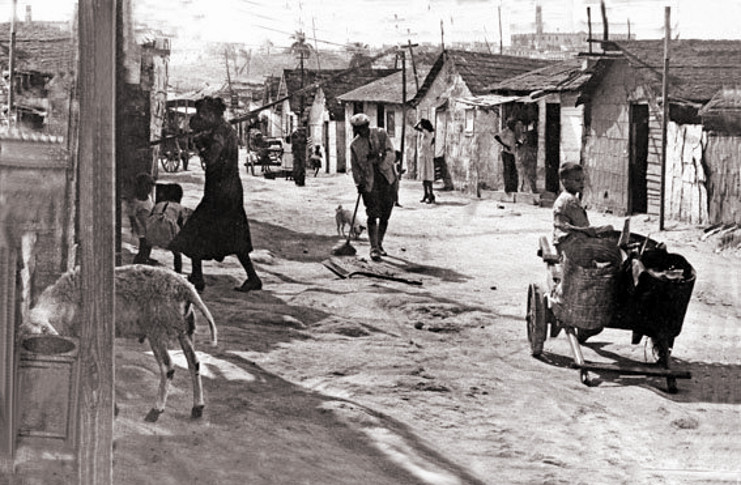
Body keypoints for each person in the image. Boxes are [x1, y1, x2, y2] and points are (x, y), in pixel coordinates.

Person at [169, 96, 263, 293]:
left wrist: (200, 145)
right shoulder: (222, 129)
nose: (201, 117)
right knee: (233, 235)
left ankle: (198, 277)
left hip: (222, 190)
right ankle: (250, 277)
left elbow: (212, 158)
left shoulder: (221, 132)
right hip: (225, 188)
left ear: (212, 114)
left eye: (204, 114)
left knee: (197, 230)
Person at [349, 113, 397, 262]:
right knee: (372, 214)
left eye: (364, 128)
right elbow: (355, 167)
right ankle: (374, 247)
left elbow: (391, 153)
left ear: (368, 125)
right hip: (369, 183)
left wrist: (381, 161)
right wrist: (359, 183)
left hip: (386, 179)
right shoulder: (355, 145)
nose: (362, 131)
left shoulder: (381, 134)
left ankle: (380, 243)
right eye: (358, 129)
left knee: (385, 213)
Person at [553, 162, 613, 254]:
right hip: (571, 245)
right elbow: (584, 228)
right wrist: (603, 229)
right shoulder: (570, 200)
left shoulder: (564, 197)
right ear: (565, 181)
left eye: (583, 179)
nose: (582, 183)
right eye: (577, 180)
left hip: (563, 243)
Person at [130, 172, 157, 265]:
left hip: (149, 226)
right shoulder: (137, 202)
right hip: (142, 228)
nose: (149, 189)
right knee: (143, 247)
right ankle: (139, 262)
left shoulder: (149, 198)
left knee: (148, 246)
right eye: (146, 186)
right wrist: (135, 227)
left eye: (150, 187)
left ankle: (145, 259)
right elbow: (132, 215)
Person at [495, 118, 520, 195]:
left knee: (513, 171)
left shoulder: (513, 132)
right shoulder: (506, 131)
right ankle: (507, 188)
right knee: (507, 170)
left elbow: (514, 141)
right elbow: (496, 137)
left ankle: (513, 187)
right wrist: (505, 145)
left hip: (511, 153)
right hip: (506, 152)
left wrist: (519, 143)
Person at [415, 118, 436, 204]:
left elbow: (415, 127)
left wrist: (419, 121)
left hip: (426, 157)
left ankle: (430, 195)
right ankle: (426, 194)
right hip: (424, 156)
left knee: (428, 177)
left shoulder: (426, 133)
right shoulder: (428, 134)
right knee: (425, 177)